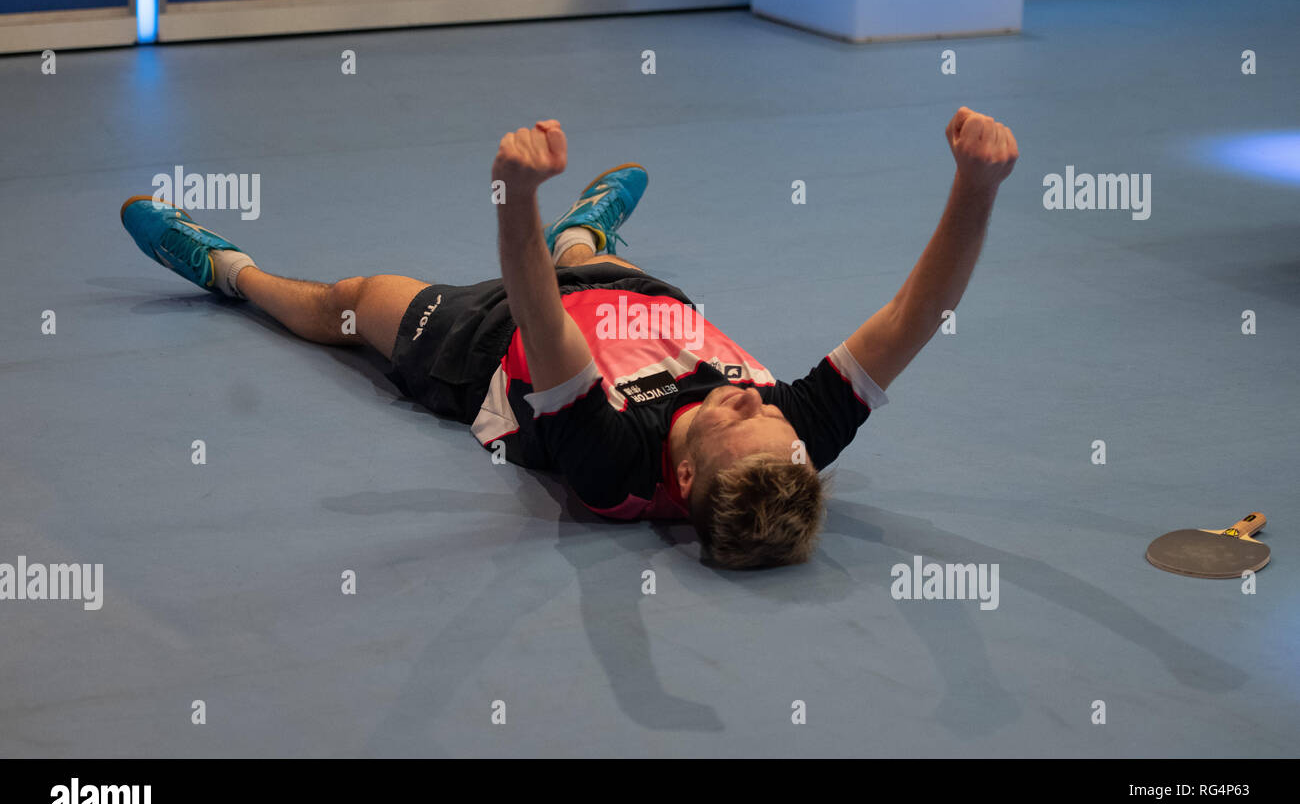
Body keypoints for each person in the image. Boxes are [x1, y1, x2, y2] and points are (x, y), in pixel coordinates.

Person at [120, 107, 1018, 568]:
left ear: (689, 477)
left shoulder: (611, 460)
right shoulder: (789, 443)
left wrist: (514, 192)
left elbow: (536, 308)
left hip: (490, 336)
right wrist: (977, 188)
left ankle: (226, 268)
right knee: (586, 260)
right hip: (643, 304)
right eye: (776, 421)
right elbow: (914, 318)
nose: (756, 395)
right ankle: (588, 233)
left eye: (743, 414)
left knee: (350, 303)